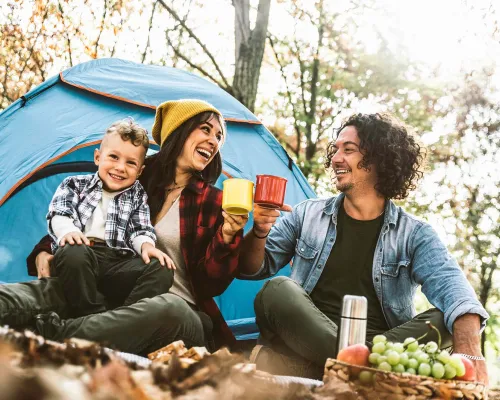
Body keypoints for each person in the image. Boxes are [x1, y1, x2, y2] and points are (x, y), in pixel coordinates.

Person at [238, 113, 489, 383]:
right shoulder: (306, 215)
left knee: (447, 318)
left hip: (383, 343)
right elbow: (250, 268)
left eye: (349, 150)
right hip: (309, 336)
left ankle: (337, 368)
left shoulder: (415, 234)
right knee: (277, 290)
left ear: (380, 158)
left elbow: (456, 291)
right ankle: (363, 370)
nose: (335, 158)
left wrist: (472, 356)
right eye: (335, 150)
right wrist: (260, 231)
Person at [0, 99, 248, 355]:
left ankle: (50, 335)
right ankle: (85, 325)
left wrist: (227, 237)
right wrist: (45, 248)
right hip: (100, 288)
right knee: (23, 296)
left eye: (218, 136)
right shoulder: (137, 171)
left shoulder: (215, 202)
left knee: (170, 310)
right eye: (205, 130)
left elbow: (210, 285)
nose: (214, 141)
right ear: (179, 129)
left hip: (168, 307)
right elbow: (84, 209)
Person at [46, 119, 175, 318]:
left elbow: (140, 229)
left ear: (140, 171)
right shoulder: (74, 184)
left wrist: (147, 246)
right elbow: (60, 213)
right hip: (82, 255)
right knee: (72, 253)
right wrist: (69, 231)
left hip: (117, 263)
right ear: (98, 157)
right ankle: (94, 315)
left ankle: (122, 320)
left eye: (131, 163)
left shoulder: (137, 195)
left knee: (161, 268)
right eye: (113, 157)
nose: (120, 167)